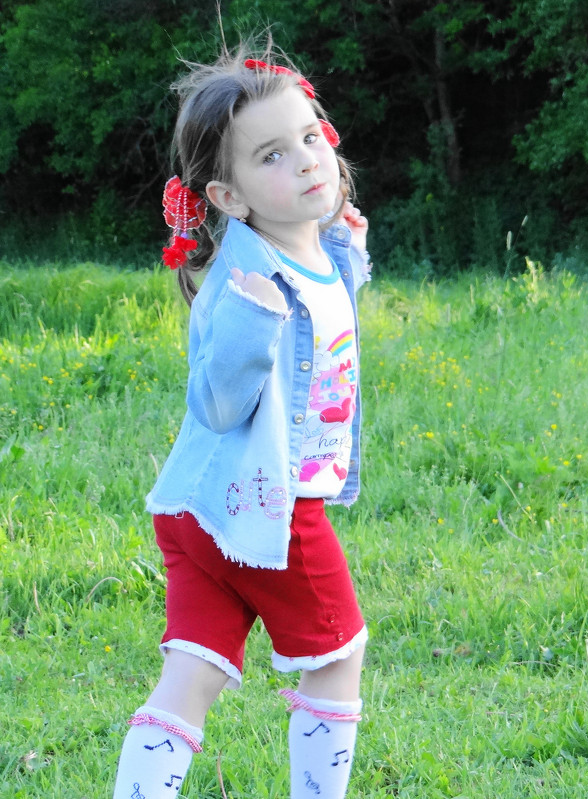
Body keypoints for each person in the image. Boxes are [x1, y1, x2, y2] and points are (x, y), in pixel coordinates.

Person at [112, 42, 372, 799]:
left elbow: (332, 299)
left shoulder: (316, 244)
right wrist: (250, 325)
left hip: (197, 509)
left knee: (192, 670)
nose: (304, 160)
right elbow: (217, 403)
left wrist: (350, 249)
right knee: (337, 656)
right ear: (228, 198)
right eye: (271, 155)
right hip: (266, 508)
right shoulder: (247, 283)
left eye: (310, 136)